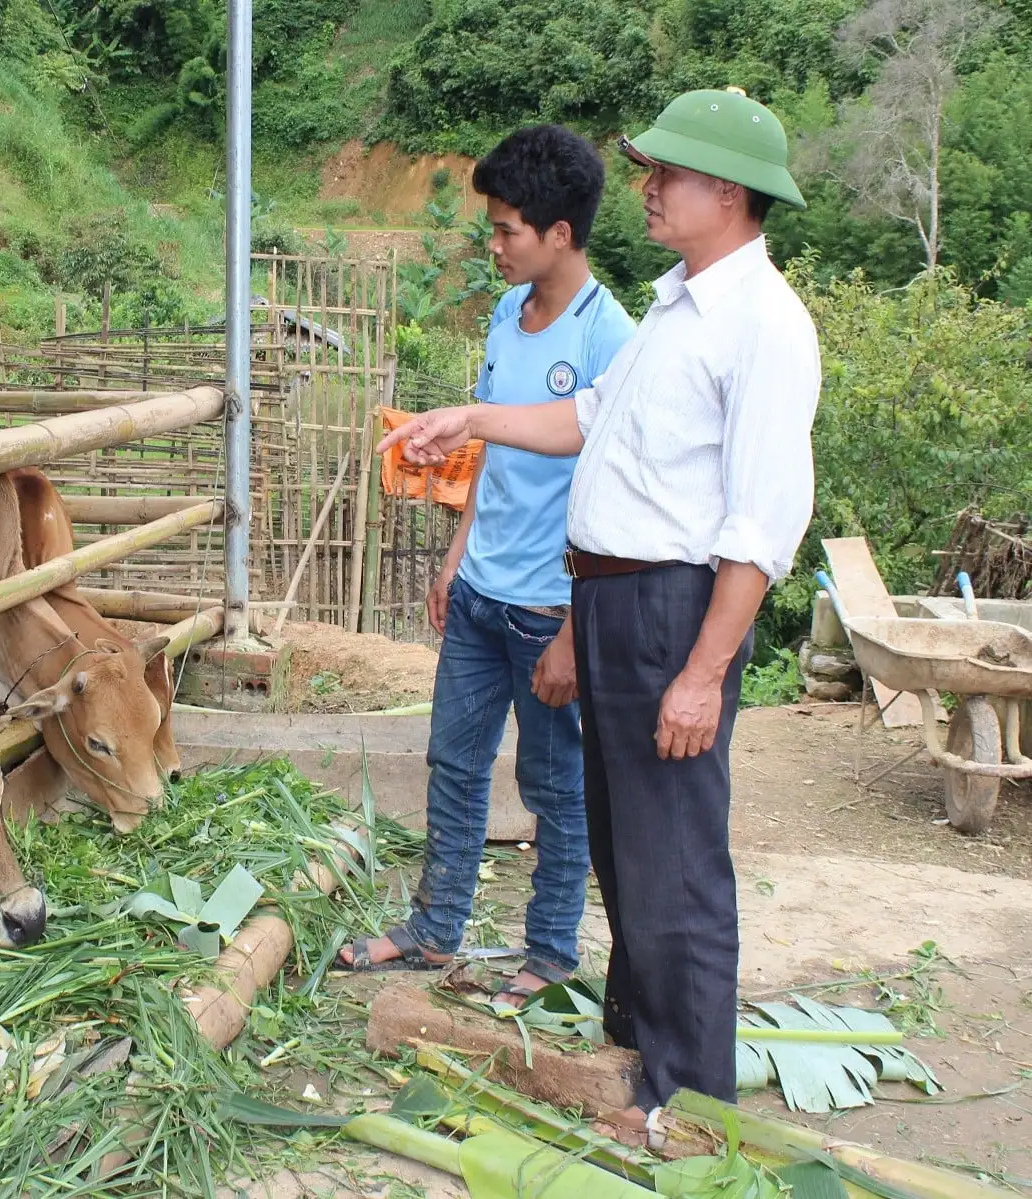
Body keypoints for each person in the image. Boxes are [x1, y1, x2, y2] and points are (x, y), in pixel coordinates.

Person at [375, 88, 820, 1148]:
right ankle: (639, 1047)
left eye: (665, 173)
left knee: (673, 859)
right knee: (624, 840)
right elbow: (582, 423)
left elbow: (759, 524)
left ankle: (689, 1099)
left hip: (674, 606)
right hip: (610, 594)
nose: (648, 187)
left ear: (724, 191)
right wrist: (469, 416)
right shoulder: (674, 305)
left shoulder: (762, 324)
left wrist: (705, 668)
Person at [337, 125, 636, 1009]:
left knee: (552, 785)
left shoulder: (608, 338)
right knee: (455, 762)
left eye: (506, 229)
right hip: (479, 594)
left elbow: (616, 503)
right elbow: (494, 455)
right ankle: (437, 928)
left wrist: (577, 632)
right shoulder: (509, 317)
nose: (493, 244)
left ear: (559, 234)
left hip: (549, 606)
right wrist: (455, 559)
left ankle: (548, 953)